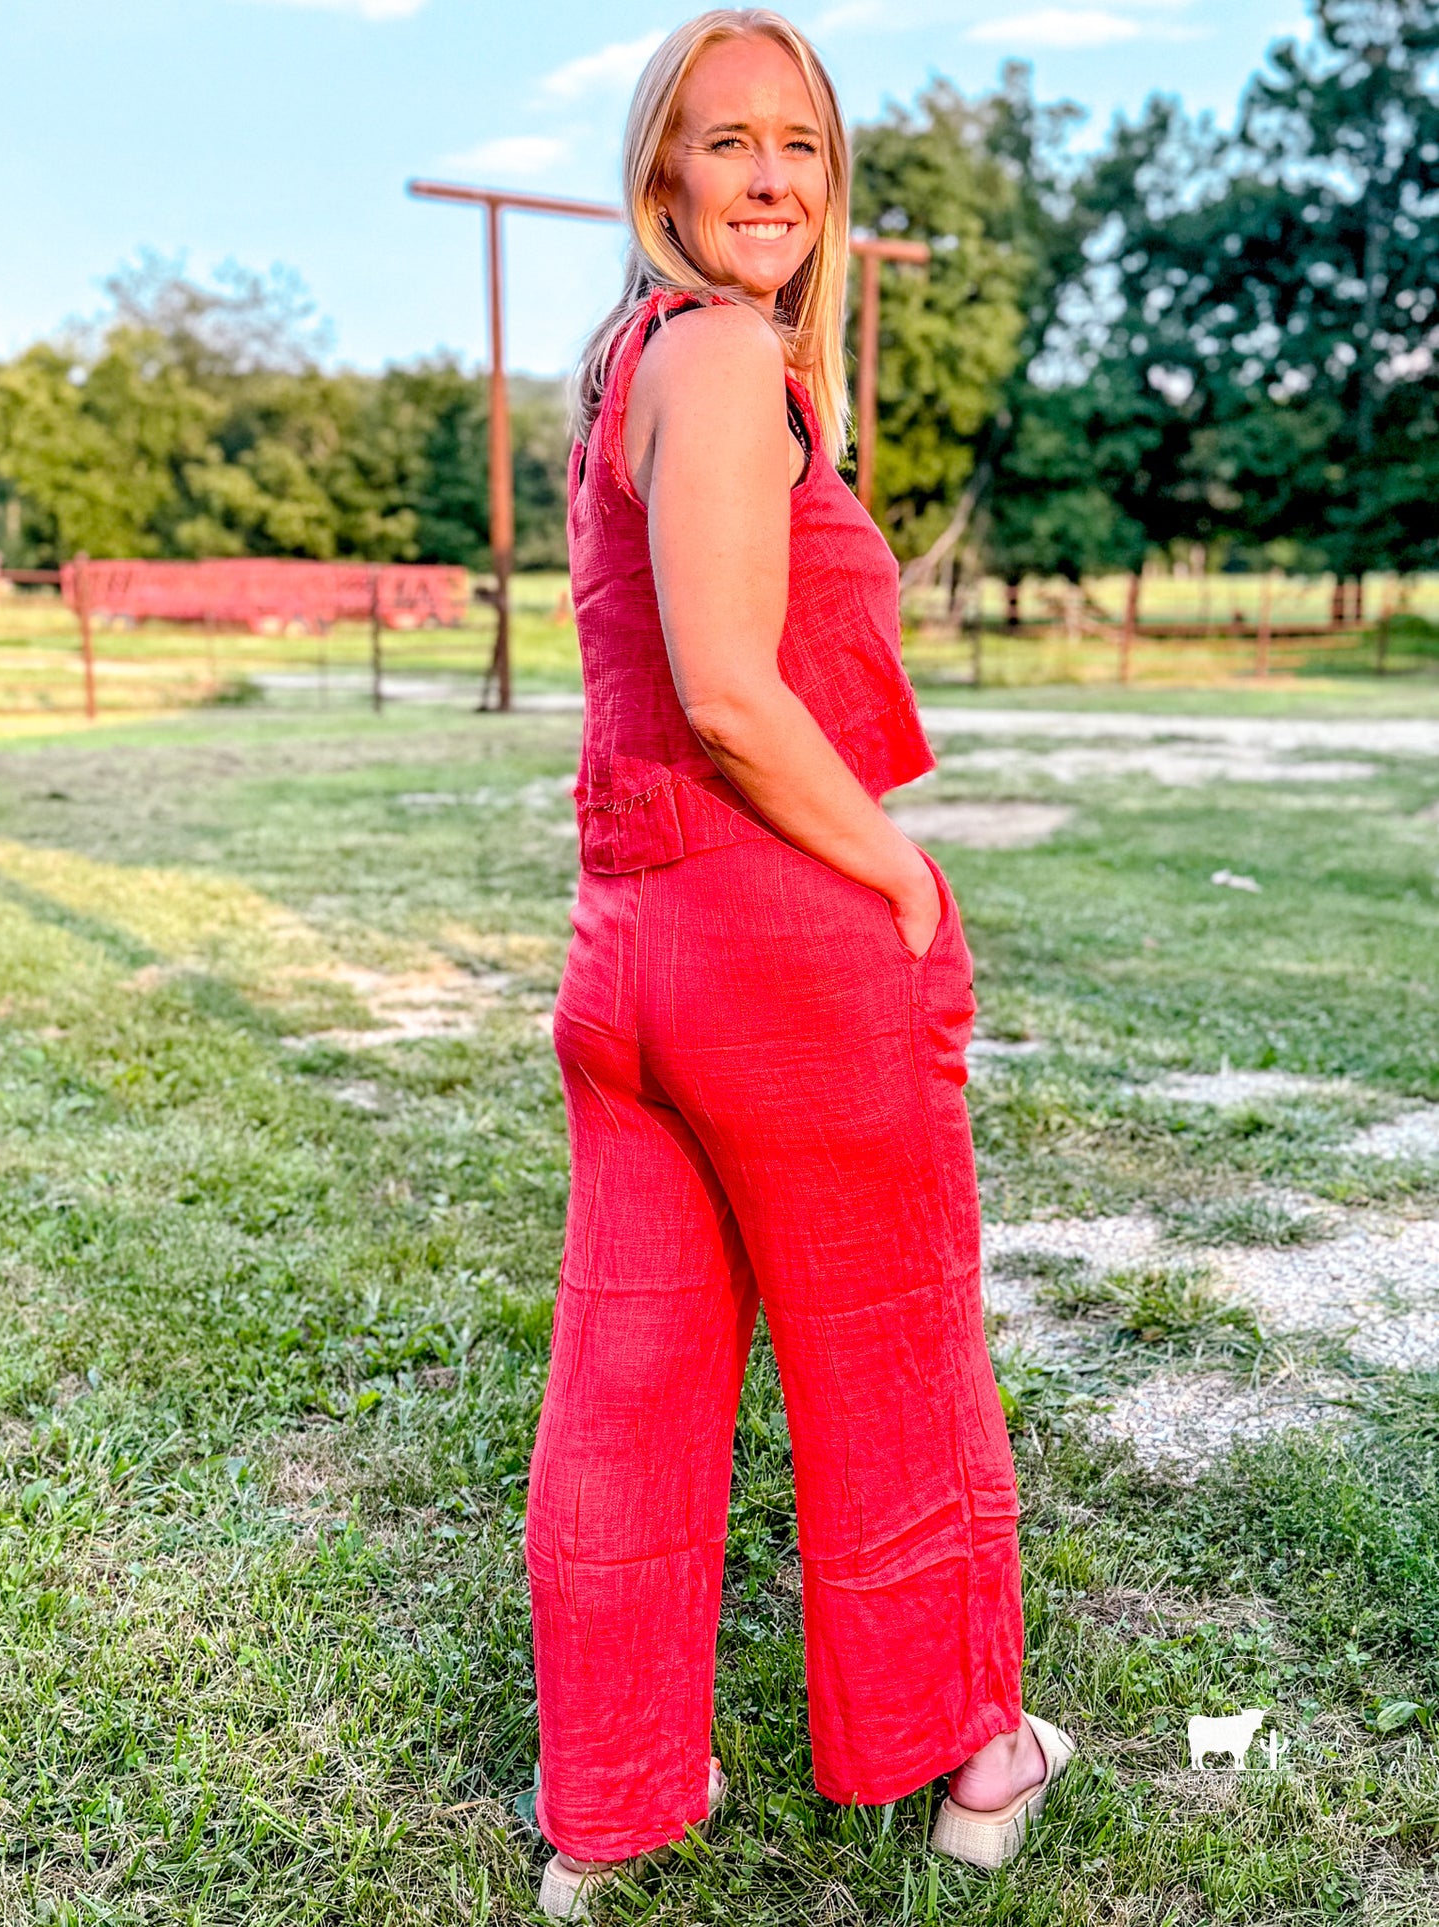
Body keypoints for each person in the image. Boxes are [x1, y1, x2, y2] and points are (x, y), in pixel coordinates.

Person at [523, 10, 1075, 1917]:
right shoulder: (732, 350)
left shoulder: (630, 363)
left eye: (801, 150)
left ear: (827, 183)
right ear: (661, 171)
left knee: (630, 1374)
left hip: (626, 956)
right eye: (725, 141)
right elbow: (734, 696)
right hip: (777, 950)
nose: (767, 179)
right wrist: (901, 873)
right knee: (894, 1357)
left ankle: (598, 1806)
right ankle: (974, 1747)